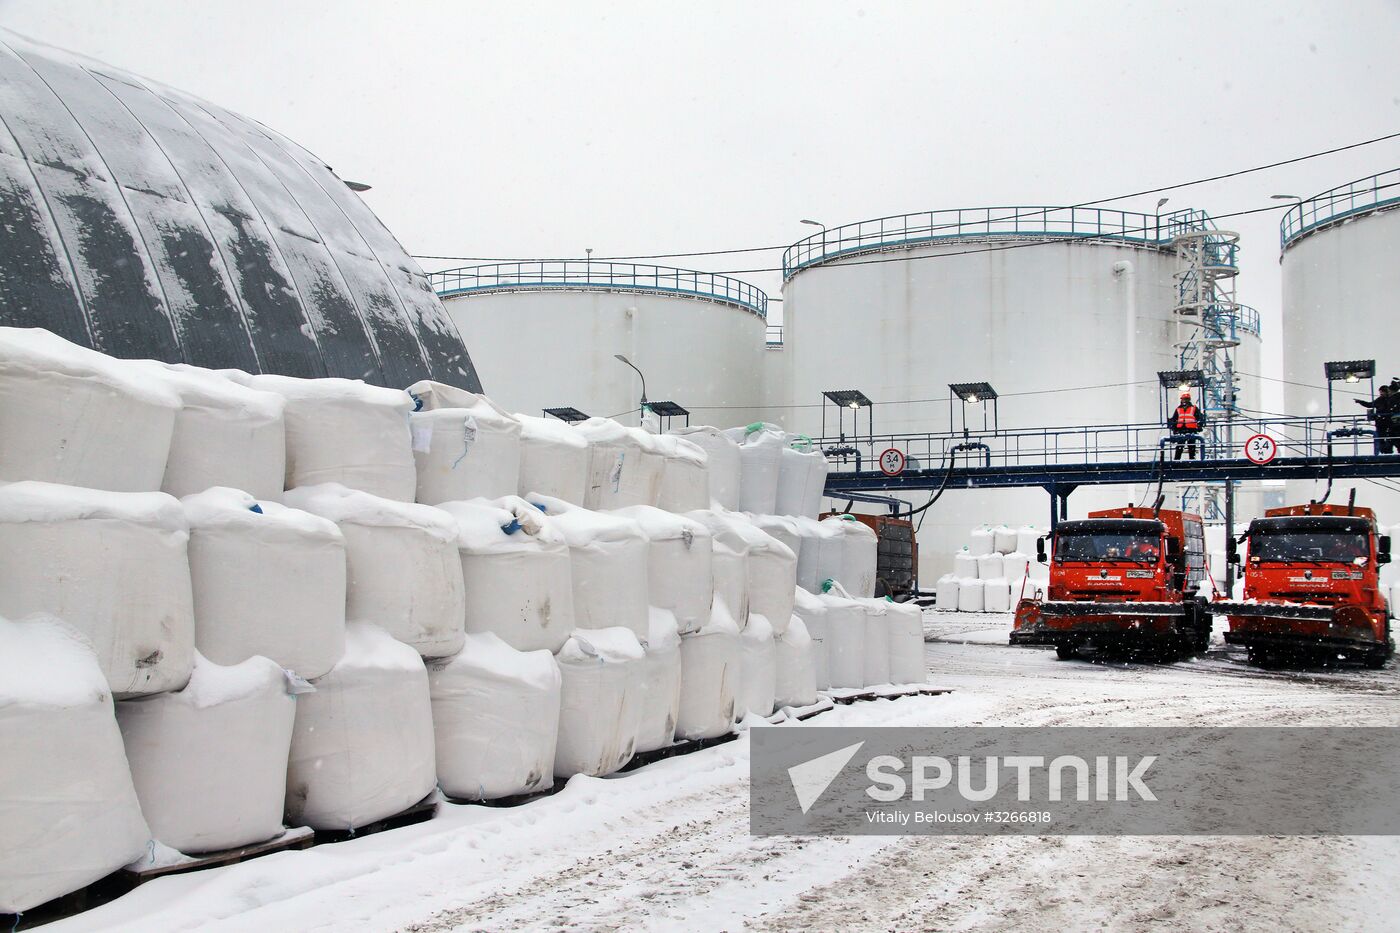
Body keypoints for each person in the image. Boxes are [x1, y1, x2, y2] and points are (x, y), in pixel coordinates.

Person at [1355, 385, 1397, 455]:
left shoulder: (1391, 400)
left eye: (1382, 392)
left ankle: (1388, 450)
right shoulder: (1380, 400)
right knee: (1381, 438)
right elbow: (1370, 404)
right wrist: (1361, 402)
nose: (1381, 394)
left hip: (1388, 422)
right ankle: (1384, 451)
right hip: (1381, 422)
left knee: (1390, 437)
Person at [1168, 392, 1205, 460]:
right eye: (1183, 399)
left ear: (1189, 400)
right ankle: (1177, 461)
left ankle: (1192, 461)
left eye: (1186, 399)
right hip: (1181, 430)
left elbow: (1200, 418)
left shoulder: (1194, 408)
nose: (1185, 401)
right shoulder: (1178, 409)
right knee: (1179, 447)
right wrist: (1174, 428)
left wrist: (1199, 426)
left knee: (1191, 447)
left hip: (1191, 430)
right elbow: (1174, 419)